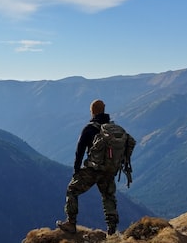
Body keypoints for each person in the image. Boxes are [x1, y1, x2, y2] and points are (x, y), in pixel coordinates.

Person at [56, 99, 132, 235]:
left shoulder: (89, 128)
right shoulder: (113, 129)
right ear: (104, 110)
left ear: (92, 111)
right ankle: (112, 230)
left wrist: (76, 170)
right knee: (108, 196)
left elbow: (79, 151)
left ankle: (71, 223)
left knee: (72, 190)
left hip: (93, 169)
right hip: (109, 169)